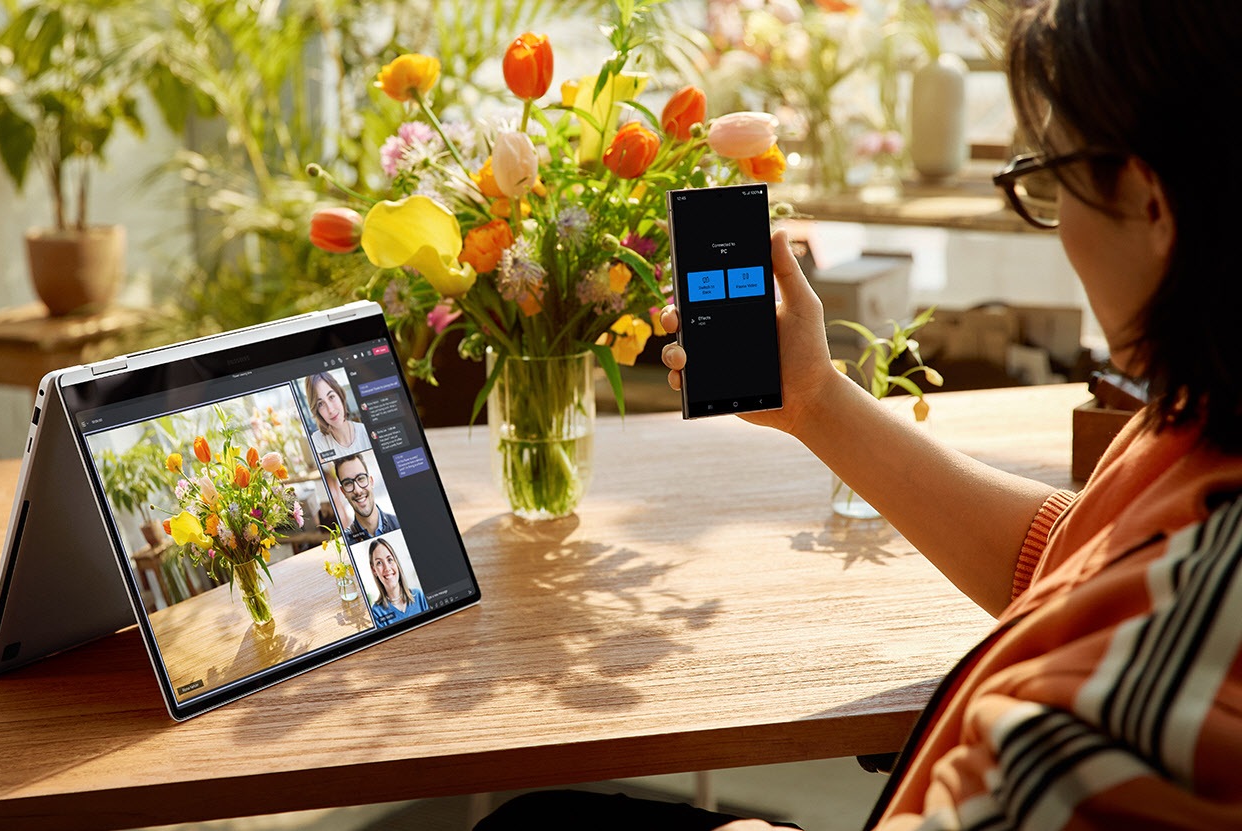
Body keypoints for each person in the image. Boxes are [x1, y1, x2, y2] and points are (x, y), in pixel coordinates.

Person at [477, 1, 1242, 828]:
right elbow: (1077, 562)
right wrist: (817, 401)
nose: (1057, 226)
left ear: (1148, 200)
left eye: (1051, 184)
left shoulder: (1174, 657)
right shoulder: (1202, 421)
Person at [334, 453, 400, 543]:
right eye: (348, 483)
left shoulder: (399, 524)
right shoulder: (346, 542)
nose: (357, 490)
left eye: (361, 478)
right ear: (343, 492)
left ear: (371, 481)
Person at [305, 372, 369, 458]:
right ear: (317, 411)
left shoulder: (365, 432)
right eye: (320, 404)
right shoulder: (318, 441)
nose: (330, 410)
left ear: (340, 395)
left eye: (331, 397)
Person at [368, 537, 428, 625]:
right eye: (379, 563)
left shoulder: (419, 596)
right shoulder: (376, 613)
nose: (387, 568)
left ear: (396, 562)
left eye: (389, 560)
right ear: (374, 570)